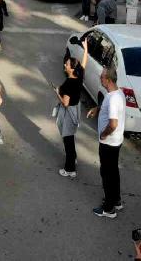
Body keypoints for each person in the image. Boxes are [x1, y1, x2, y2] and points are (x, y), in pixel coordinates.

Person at [87, 67, 126, 218]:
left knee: (106, 174)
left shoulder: (114, 98)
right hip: (116, 142)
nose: (100, 79)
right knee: (113, 171)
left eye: (102, 77)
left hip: (109, 143)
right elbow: (109, 109)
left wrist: (103, 134)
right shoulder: (117, 93)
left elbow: (113, 124)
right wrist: (98, 109)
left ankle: (108, 208)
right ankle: (116, 200)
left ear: (108, 80)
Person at [56, 39, 87, 178]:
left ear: (72, 69)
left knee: (67, 139)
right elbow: (83, 64)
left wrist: (57, 92)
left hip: (69, 112)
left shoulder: (69, 83)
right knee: (71, 137)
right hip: (76, 109)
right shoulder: (79, 76)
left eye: (67, 64)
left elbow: (65, 103)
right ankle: (73, 158)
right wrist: (86, 50)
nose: (65, 64)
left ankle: (70, 169)